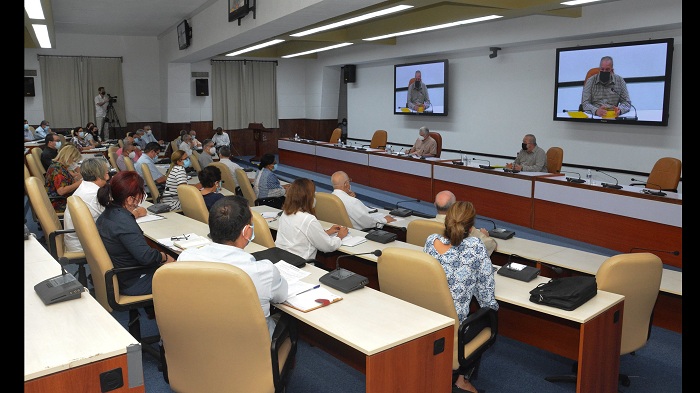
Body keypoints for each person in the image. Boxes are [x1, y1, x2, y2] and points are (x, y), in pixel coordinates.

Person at [177, 196, 288, 336]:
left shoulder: (186, 258)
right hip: (250, 348)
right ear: (247, 231)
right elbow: (281, 297)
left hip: (200, 339)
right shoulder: (264, 271)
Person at [423, 200, 499, 393]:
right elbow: (486, 296)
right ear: (471, 227)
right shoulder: (476, 246)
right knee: (487, 315)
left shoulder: (431, 241)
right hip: (456, 328)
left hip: (428, 318)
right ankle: (462, 378)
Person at [96, 170, 175, 300]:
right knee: (187, 275)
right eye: (140, 195)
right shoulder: (124, 222)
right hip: (134, 281)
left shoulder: (108, 213)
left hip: (122, 275)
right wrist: (164, 256)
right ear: (130, 199)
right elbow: (146, 257)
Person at [64, 158, 147, 253]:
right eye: (106, 171)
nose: (108, 173)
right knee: (134, 244)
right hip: (85, 245)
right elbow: (116, 220)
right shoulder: (94, 194)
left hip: (78, 240)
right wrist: (136, 212)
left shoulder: (84, 187)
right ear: (99, 175)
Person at [275, 178, 348, 260]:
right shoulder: (308, 219)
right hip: (300, 264)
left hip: (283, 260)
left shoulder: (285, 213)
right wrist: (340, 237)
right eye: (313, 195)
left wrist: (327, 232)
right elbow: (328, 246)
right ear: (308, 198)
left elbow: (301, 237)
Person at [433, 190, 496, 257]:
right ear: (454, 206)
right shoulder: (464, 227)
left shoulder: (423, 225)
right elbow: (491, 245)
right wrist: (484, 236)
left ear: (434, 204)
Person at [44, 144, 83, 213]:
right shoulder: (57, 170)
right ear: (69, 157)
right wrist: (80, 183)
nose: (73, 163)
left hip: (63, 199)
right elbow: (61, 191)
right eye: (74, 160)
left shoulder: (60, 166)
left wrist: (77, 178)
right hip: (59, 203)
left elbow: (67, 181)